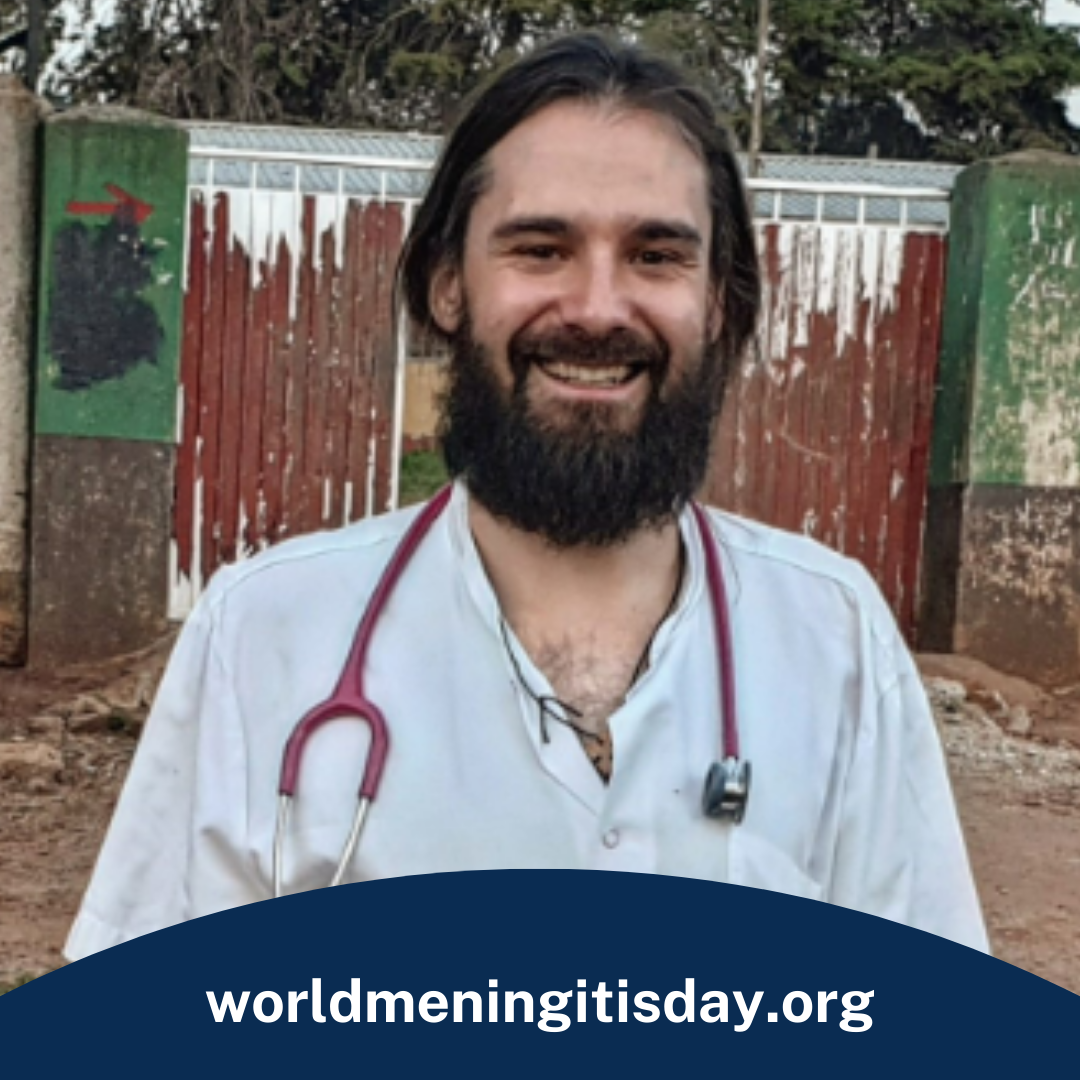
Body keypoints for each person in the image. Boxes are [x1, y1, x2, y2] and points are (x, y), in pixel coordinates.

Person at [65, 32, 987, 961]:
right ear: (447, 286)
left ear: (717, 301)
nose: (597, 308)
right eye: (541, 249)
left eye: (656, 255)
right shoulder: (263, 634)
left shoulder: (835, 640)